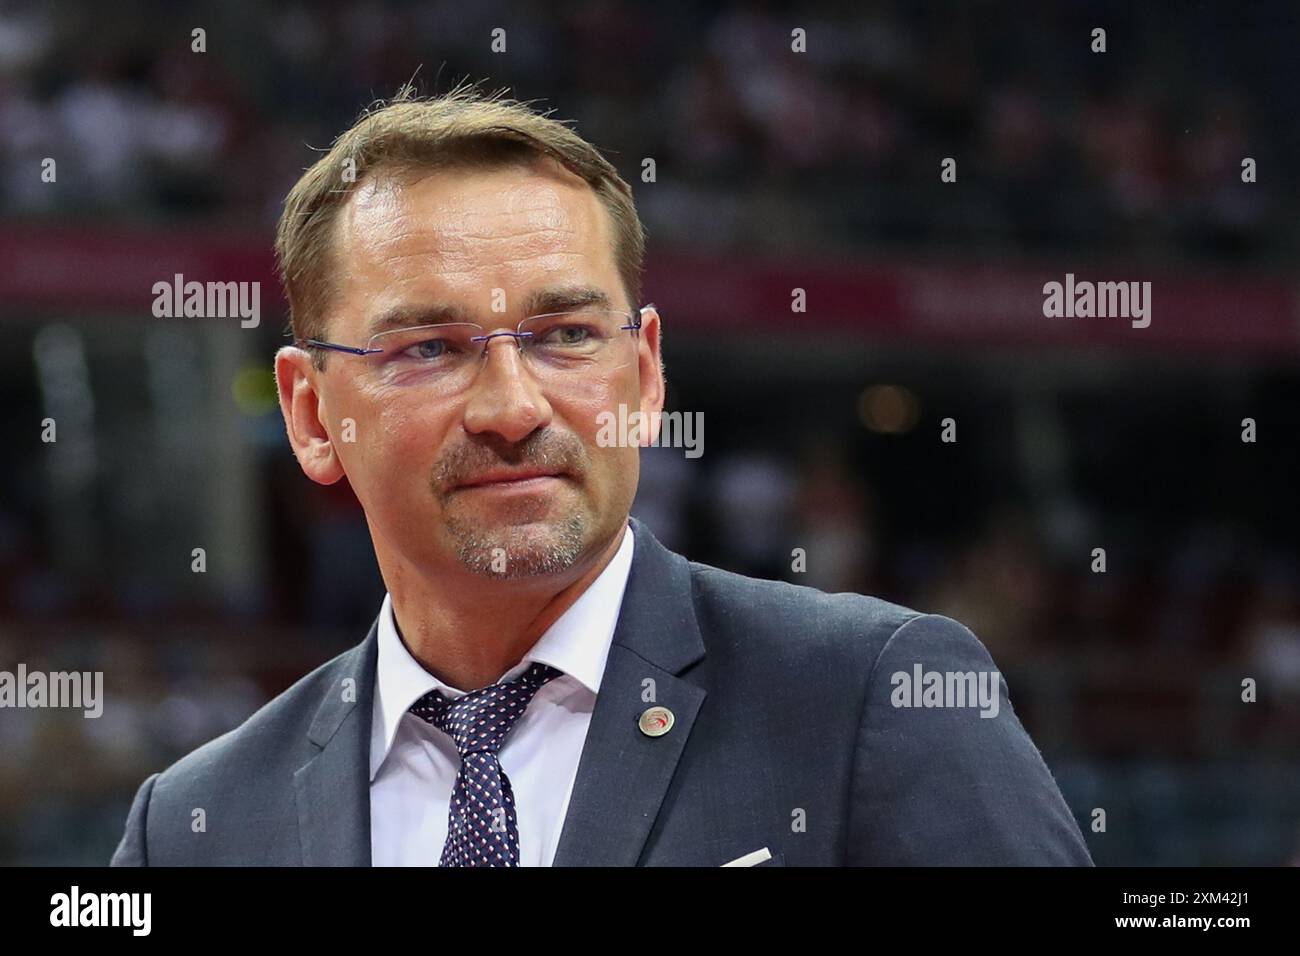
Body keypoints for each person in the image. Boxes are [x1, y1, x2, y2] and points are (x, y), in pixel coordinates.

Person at [111, 81, 1092, 866]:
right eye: (427, 347)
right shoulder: (196, 824)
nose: (511, 406)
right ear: (312, 413)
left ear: (647, 370)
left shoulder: (871, 700)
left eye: (566, 335)